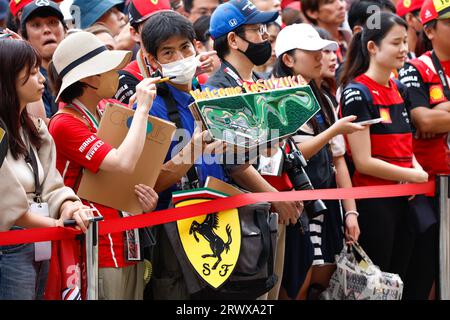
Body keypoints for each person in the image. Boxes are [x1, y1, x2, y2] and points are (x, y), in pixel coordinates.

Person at [48, 31, 159, 300]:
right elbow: (123, 162)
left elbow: (131, 172)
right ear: (89, 79)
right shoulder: (64, 122)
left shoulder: (106, 108)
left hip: (127, 243)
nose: (119, 74)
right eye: (110, 68)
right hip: (94, 249)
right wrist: (142, 110)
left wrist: (143, 198)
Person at [207, 0, 303, 300]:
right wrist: (276, 199)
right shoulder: (218, 87)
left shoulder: (261, 82)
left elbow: (272, 144)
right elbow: (234, 162)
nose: (265, 36)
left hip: (271, 206)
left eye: (266, 28)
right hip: (242, 213)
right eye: (257, 30)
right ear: (233, 39)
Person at [340, 12, 433, 300]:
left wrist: (414, 170)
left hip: (405, 200)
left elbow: (406, 149)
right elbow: (364, 160)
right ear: (372, 47)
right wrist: (413, 175)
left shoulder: (398, 89)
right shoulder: (357, 92)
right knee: (376, 288)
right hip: (375, 203)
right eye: (396, 42)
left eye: (406, 41)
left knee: (400, 282)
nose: (404, 49)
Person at [137, 10, 230, 299]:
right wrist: (193, 149)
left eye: (185, 47)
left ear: (196, 47)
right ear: (152, 61)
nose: (180, 57)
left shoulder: (206, 94)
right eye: (168, 52)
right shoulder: (150, 107)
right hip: (174, 232)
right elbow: (148, 184)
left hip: (219, 218)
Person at [272, 23, 363, 300]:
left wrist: (350, 212)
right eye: (311, 52)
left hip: (327, 208)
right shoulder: (276, 98)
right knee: (295, 282)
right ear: (288, 59)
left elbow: (338, 161)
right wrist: (333, 131)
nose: (320, 57)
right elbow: (292, 156)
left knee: (321, 284)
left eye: (322, 51)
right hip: (296, 208)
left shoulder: (323, 96)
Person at [0, 39, 90, 300]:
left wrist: (70, 207)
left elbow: (52, 185)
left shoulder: (34, 130)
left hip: (39, 239)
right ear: (7, 80)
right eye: (31, 73)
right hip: (10, 245)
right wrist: (57, 223)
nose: (41, 79)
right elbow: (8, 206)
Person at [398, 0, 450, 299]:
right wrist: (433, 115)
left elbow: (434, 119)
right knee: (424, 269)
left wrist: (442, 114)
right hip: (428, 186)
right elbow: (423, 118)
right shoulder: (416, 67)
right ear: (429, 30)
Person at [114, 0, 216, 105]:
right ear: (134, 33)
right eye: (151, 23)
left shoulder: (196, 70)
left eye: (167, 19)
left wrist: (189, 74)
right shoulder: (128, 76)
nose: (164, 29)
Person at [20, 0, 67, 120]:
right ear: (24, 37)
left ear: (65, 30)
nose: (46, 30)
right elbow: (40, 129)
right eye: (36, 25)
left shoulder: (82, 69)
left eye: (53, 22)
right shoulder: (23, 81)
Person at [300, 0, 351, 68]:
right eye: (330, 2)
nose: (341, 6)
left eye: (341, 0)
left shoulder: (349, 36)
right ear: (312, 13)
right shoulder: (310, 45)